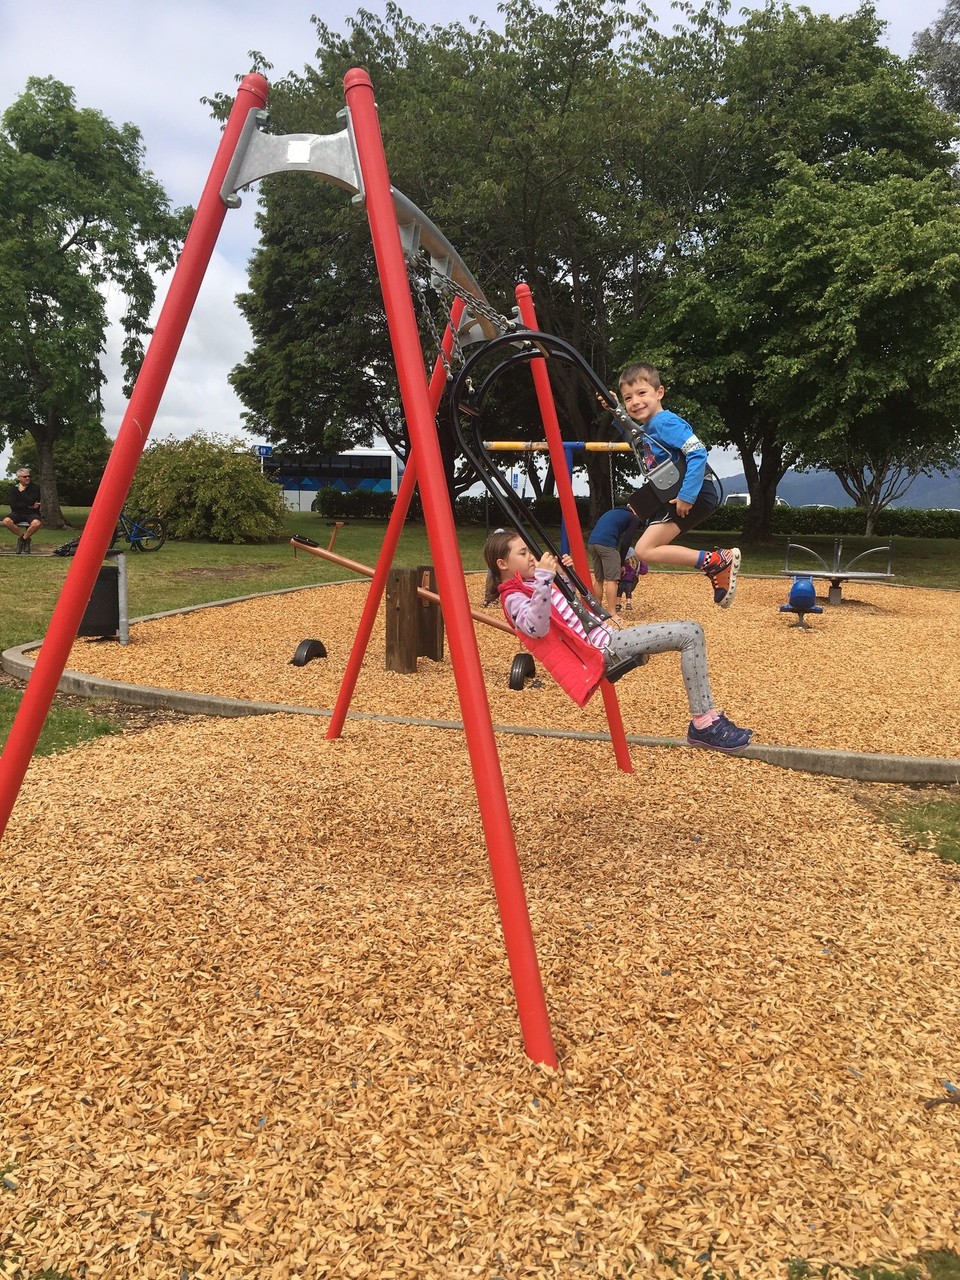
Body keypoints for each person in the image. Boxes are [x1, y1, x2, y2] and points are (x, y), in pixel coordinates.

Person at [483, 528, 752, 752]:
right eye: (523, 553)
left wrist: (564, 578)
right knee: (690, 632)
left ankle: (707, 721)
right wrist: (544, 579)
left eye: (529, 552)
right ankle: (705, 723)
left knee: (691, 632)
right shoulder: (513, 598)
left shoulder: (533, 584)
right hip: (603, 650)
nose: (531, 558)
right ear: (502, 564)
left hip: (607, 638)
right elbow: (537, 627)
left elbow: (569, 611)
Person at [617, 361, 740, 609]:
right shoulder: (648, 428)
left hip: (690, 491)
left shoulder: (665, 423)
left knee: (645, 549)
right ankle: (715, 563)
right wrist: (614, 409)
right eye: (628, 398)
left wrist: (687, 495)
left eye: (642, 393)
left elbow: (698, 452)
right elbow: (629, 432)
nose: (635, 402)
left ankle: (717, 560)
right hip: (674, 492)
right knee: (644, 548)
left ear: (659, 392)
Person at [586, 496, 648, 616]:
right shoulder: (633, 518)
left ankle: (596, 609)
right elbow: (626, 542)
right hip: (606, 545)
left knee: (599, 579)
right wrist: (620, 563)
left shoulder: (614, 511)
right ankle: (612, 613)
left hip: (592, 543)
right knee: (612, 580)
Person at [3, 468, 42, 554]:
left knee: (37, 523)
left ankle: (22, 540)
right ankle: (25, 538)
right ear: (19, 478)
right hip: (17, 513)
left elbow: (32, 501)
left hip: (32, 513)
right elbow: (14, 506)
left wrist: (22, 491)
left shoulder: (35, 488)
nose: (27, 478)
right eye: (25, 476)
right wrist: (29, 505)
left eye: (29, 476)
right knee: (6, 521)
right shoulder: (13, 489)